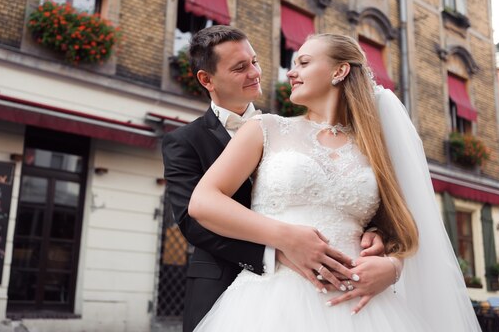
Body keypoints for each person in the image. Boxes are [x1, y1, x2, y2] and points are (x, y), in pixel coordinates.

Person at [188, 33, 481, 331]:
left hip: (363, 308)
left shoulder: (376, 147)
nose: (290, 72)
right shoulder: (265, 129)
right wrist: (286, 237)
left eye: (303, 62)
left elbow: (403, 228)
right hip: (272, 302)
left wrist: (392, 268)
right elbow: (203, 202)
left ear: (339, 71)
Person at [162, 26, 386, 332]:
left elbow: (330, 191)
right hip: (230, 285)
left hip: (335, 284)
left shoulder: (281, 129)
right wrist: (277, 251)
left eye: (254, 61)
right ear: (207, 79)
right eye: (240, 67)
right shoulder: (185, 141)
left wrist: (371, 230)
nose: (255, 72)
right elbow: (193, 220)